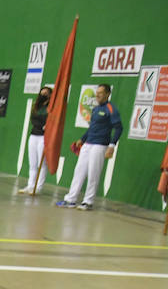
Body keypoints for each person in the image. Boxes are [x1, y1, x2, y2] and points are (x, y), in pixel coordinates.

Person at [56, 83, 120, 211]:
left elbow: (119, 128)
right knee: (79, 171)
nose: (97, 95)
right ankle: (71, 199)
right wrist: (82, 139)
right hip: (88, 144)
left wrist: (112, 145)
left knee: (93, 173)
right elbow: (92, 127)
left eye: (100, 93)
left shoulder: (111, 108)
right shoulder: (96, 109)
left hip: (100, 145)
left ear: (107, 94)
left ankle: (88, 201)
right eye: (97, 92)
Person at [19, 85, 52, 195]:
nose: (43, 95)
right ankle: (30, 185)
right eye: (41, 93)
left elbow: (49, 122)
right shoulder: (36, 106)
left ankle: (38, 187)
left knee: (41, 164)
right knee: (32, 163)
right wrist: (40, 125)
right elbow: (33, 120)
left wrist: (44, 126)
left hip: (43, 137)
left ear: (50, 95)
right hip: (33, 135)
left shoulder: (51, 107)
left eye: (46, 93)